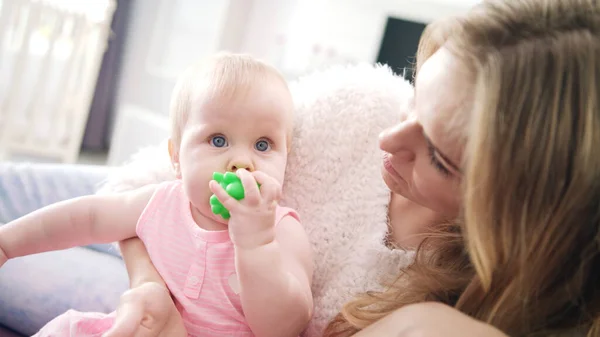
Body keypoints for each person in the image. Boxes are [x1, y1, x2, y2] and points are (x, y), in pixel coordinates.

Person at [89, 0, 600, 336]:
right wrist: (150, 285)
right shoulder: (360, 106)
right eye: (415, 101)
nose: (388, 140)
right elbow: (135, 191)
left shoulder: (468, 311)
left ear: (511, 212)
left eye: (439, 158)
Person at [0, 53, 313, 337]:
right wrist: (8, 243)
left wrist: (256, 244)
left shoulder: (282, 229)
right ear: (176, 157)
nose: (242, 161)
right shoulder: (161, 203)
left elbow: (285, 328)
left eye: (263, 144)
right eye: (218, 140)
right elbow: (88, 217)